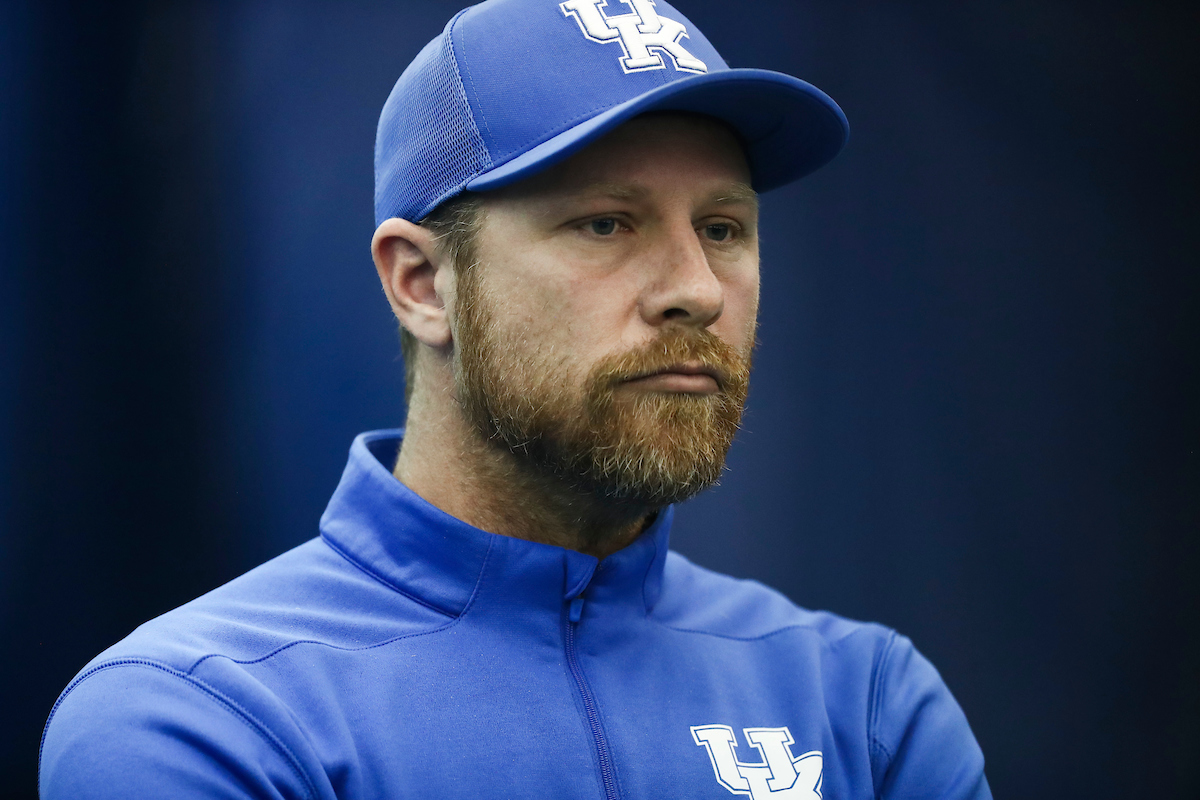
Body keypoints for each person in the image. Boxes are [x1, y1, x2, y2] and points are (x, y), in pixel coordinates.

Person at [40, 0, 990, 797]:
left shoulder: (864, 706)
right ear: (420, 282)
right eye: (605, 222)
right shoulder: (201, 715)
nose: (696, 287)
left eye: (723, 226)